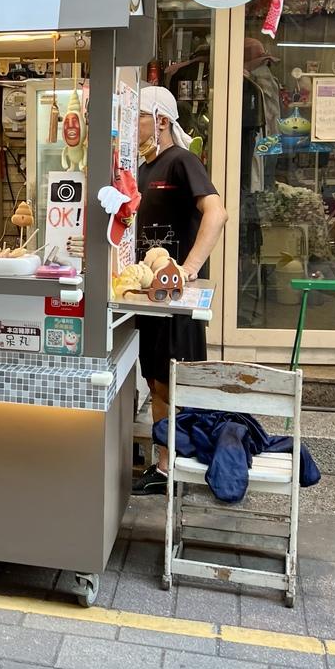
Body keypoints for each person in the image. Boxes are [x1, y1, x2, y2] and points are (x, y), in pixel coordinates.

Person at [132, 85, 228, 495]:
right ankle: (165, 465)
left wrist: (189, 269)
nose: (130, 125)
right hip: (149, 297)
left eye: (136, 116)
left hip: (176, 300)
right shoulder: (142, 169)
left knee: (174, 383)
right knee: (156, 380)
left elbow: (217, 213)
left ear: (160, 120)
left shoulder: (182, 161)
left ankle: (178, 466)